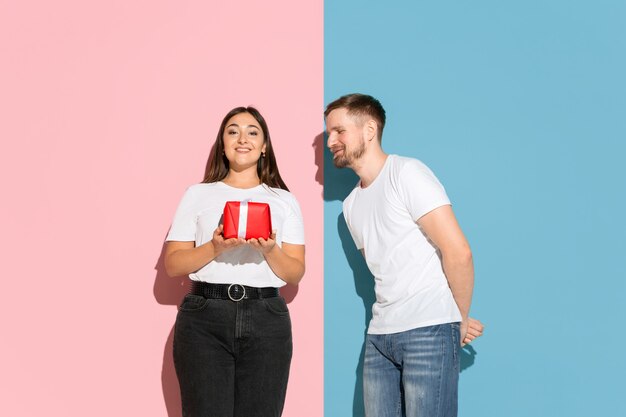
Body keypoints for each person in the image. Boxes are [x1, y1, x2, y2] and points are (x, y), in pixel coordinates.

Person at [325, 93, 483, 417]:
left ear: (369, 129)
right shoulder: (351, 206)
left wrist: (457, 321)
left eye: (339, 131)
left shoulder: (407, 173)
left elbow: (458, 252)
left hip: (429, 330)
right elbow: (390, 269)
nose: (330, 141)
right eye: (329, 133)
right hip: (380, 338)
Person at [164, 106, 305, 417]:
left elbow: (295, 272)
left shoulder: (284, 200)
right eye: (233, 131)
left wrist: (269, 249)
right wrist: (215, 247)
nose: (243, 138)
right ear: (223, 145)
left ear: (265, 145)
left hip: (267, 318)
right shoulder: (197, 195)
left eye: (252, 132)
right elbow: (173, 264)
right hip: (204, 319)